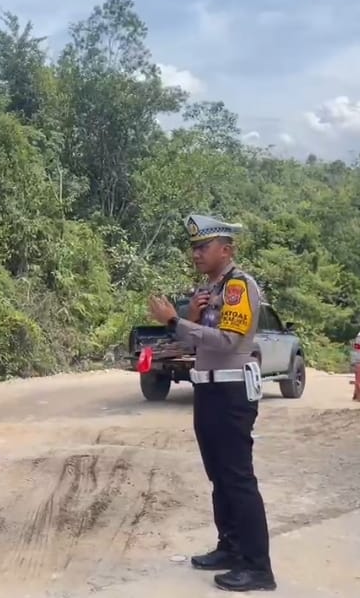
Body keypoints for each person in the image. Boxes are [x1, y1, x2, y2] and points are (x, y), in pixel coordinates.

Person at [146, 214, 276, 592]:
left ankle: (258, 567)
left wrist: (174, 322)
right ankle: (231, 547)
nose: (196, 254)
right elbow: (194, 344)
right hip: (208, 389)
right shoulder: (211, 290)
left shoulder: (238, 287)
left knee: (237, 479)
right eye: (193, 248)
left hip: (230, 392)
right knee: (219, 477)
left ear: (226, 249)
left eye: (203, 247)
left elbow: (227, 343)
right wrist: (188, 318)